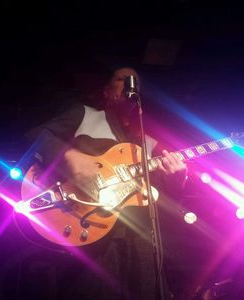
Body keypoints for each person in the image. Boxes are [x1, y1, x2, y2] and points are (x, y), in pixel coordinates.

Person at [22, 66, 188, 300]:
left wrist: (177, 179)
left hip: (138, 241)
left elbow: (165, 204)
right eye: (123, 79)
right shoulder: (85, 115)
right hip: (88, 229)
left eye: (136, 81)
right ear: (107, 91)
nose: (132, 84)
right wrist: (71, 158)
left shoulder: (146, 142)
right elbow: (36, 136)